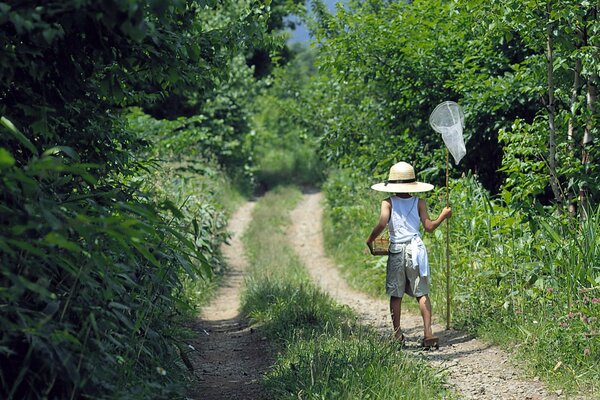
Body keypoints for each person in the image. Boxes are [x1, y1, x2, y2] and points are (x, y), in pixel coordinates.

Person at [366, 161, 451, 348]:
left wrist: (370, 239)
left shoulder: (387, 202)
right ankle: (428, 334)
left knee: (396, 295)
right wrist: (443, 216)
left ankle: (397, 335)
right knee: (422, 292)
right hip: (415, 250)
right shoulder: (419, 202)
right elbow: (429, 227)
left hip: (396, 250)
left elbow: (381, 224)